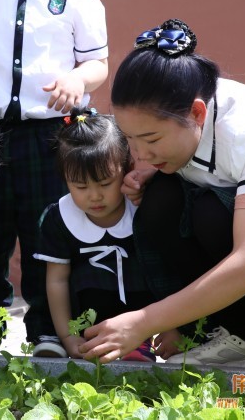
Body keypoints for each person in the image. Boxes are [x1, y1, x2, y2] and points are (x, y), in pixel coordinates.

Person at [79, 18, 245, 378]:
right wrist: (158, 167)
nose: (140, 154)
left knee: (215, 212)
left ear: (196, 113)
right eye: (130, 139)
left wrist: (144, 321)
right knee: (162, 201)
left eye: (151, 140)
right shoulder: (186, 117)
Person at [0, 0, 109, 357]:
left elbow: (98, 63)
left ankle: (47, 333)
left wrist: (77, 78)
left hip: (51, 135)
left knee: (45, 233)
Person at [35, 108, 167, 362]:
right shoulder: (58, 218)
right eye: (81, 186)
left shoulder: (144, 208)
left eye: (105, 183)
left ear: (127, 167)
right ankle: (92, 341)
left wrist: (173, 325)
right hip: (86, 326)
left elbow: (166, 271)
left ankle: (137, 344)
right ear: (65, 179)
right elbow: (57, 281)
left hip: (140, 319)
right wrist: (68, 336)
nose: (95, 196)